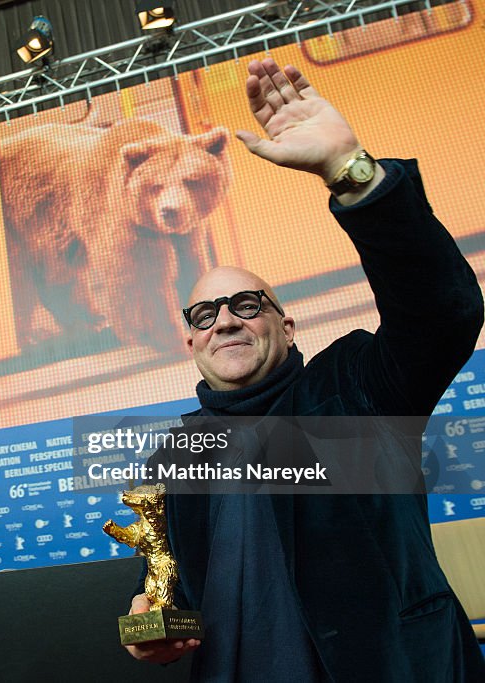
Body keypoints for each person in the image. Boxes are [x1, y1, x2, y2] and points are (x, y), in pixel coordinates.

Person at [123, 57, 485, 681]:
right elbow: (170, 592)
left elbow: (442, 312)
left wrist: (351, 174)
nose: (225, 322)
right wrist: (150, 630)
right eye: (205, 314)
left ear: (286, 328)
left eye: (245, 305)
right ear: (191, 343)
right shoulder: (176, 458)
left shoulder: (355, 391)